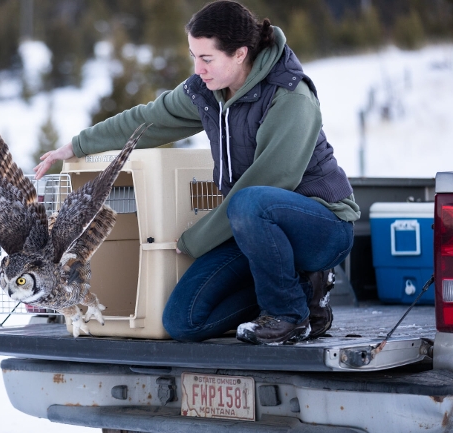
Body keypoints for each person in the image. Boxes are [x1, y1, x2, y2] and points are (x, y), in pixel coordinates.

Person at [34, 0, 360, 345]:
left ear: (239, 54)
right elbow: (149, 119)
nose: (198, 68)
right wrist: (77, 145)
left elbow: (271, 180)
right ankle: (295, 294)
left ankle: (289, 315)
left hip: (322, 227)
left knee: (251, 202)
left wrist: (197, 238)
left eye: (206, 58)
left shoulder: (290, 95)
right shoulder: (209, 91)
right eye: (193, 56)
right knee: (182, 321)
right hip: (254, 229)